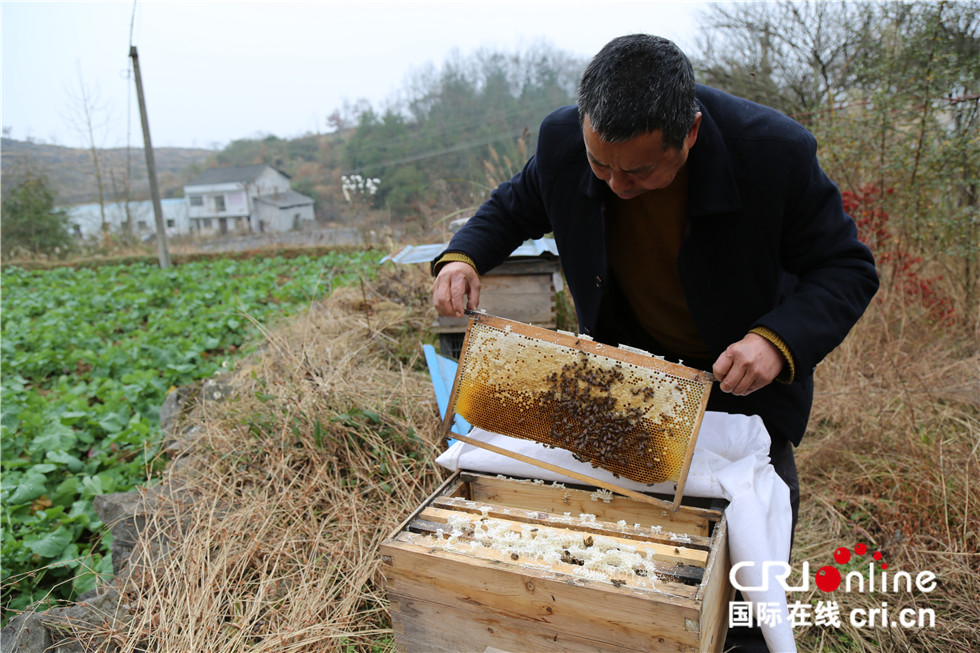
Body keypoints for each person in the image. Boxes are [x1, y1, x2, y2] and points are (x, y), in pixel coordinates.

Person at [430, 34, 878, 652]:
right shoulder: (563, 141)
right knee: (633, 571)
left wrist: (775, 342)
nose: (615, 184)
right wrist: (463, 256)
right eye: (600, 165)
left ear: (689, 133)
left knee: (745, 572)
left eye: (639, 171)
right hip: (628, 385)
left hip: (737, 383)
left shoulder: (773, 154)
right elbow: (514, 205)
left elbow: (846, 267)